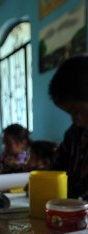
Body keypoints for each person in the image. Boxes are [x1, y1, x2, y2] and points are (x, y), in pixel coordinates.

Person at [48, 54, 88, 200]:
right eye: (69, 113)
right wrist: (46, 183)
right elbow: (58, 169)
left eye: (76, 111)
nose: (73, 119)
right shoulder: (73, 135)